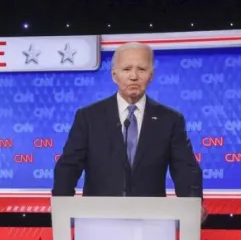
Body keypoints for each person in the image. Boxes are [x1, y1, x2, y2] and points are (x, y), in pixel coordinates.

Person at [51, 42, 205, 216]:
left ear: (151, 75)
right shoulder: (88, 117)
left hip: (151, 220)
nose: (134, 76)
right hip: (98, 219)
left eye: (141, 69)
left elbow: (185, 168)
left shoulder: (170, 119)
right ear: (114, 75)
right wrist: (62, 205)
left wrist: (193, 205)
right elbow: (69, 166)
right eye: (126, 69)